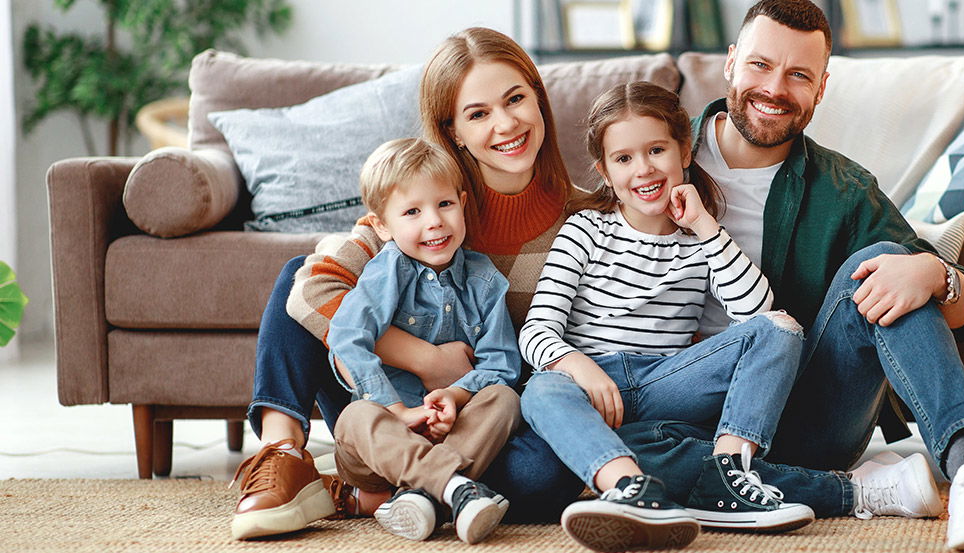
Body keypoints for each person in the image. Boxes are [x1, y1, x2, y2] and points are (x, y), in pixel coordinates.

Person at [615, 1, 964, 550]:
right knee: (595, 452)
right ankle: (855, 489)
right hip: (676, 416)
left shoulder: (843, 188)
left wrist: (931, 271)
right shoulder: (652, 156)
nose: (774, 88)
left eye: (798, 75)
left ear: (821, 88)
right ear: (731, 63)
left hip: (803, 417)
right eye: (760, 65)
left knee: (880, 261)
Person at [230, 27, 584, 540]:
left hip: (481, 415)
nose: (506, 123)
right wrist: (425, 359)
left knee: (543, 475)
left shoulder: (585, 219)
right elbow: (313, 289)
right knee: (297, 272)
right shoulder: (424, 194)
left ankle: (390, 493)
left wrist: (460, 391)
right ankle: (284, 454)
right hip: (389, 403)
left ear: (539, 99)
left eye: (515, 100)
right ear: (455, 130)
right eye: (478, 113)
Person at [519, 82, 815, 551]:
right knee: (540, 392)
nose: (644, 169)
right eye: (624, 159)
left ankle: (727, 474)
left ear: (683, 151)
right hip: (589, 385)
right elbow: (537, 331)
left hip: (665, 383)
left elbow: (757, 314)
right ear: (604, 171)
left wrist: (703, 225)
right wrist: (579, 367)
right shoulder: (586, 230)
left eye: (656, 150)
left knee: (781, 328)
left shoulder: (701, 239)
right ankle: (631, 488)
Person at [324, 137, 521, 544]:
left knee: (505, 399)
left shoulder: (485, 282)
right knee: (353, 418)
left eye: (444, 204)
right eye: (412, 211)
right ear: (382, 225)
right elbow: (346, 337)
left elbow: (501, 365)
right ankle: (454, 490)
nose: (434, 221)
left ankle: (420, 497)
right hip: (382, 449)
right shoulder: (388, 270)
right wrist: (396, 410)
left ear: (463, 203)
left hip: (455, 436)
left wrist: (456, 396)